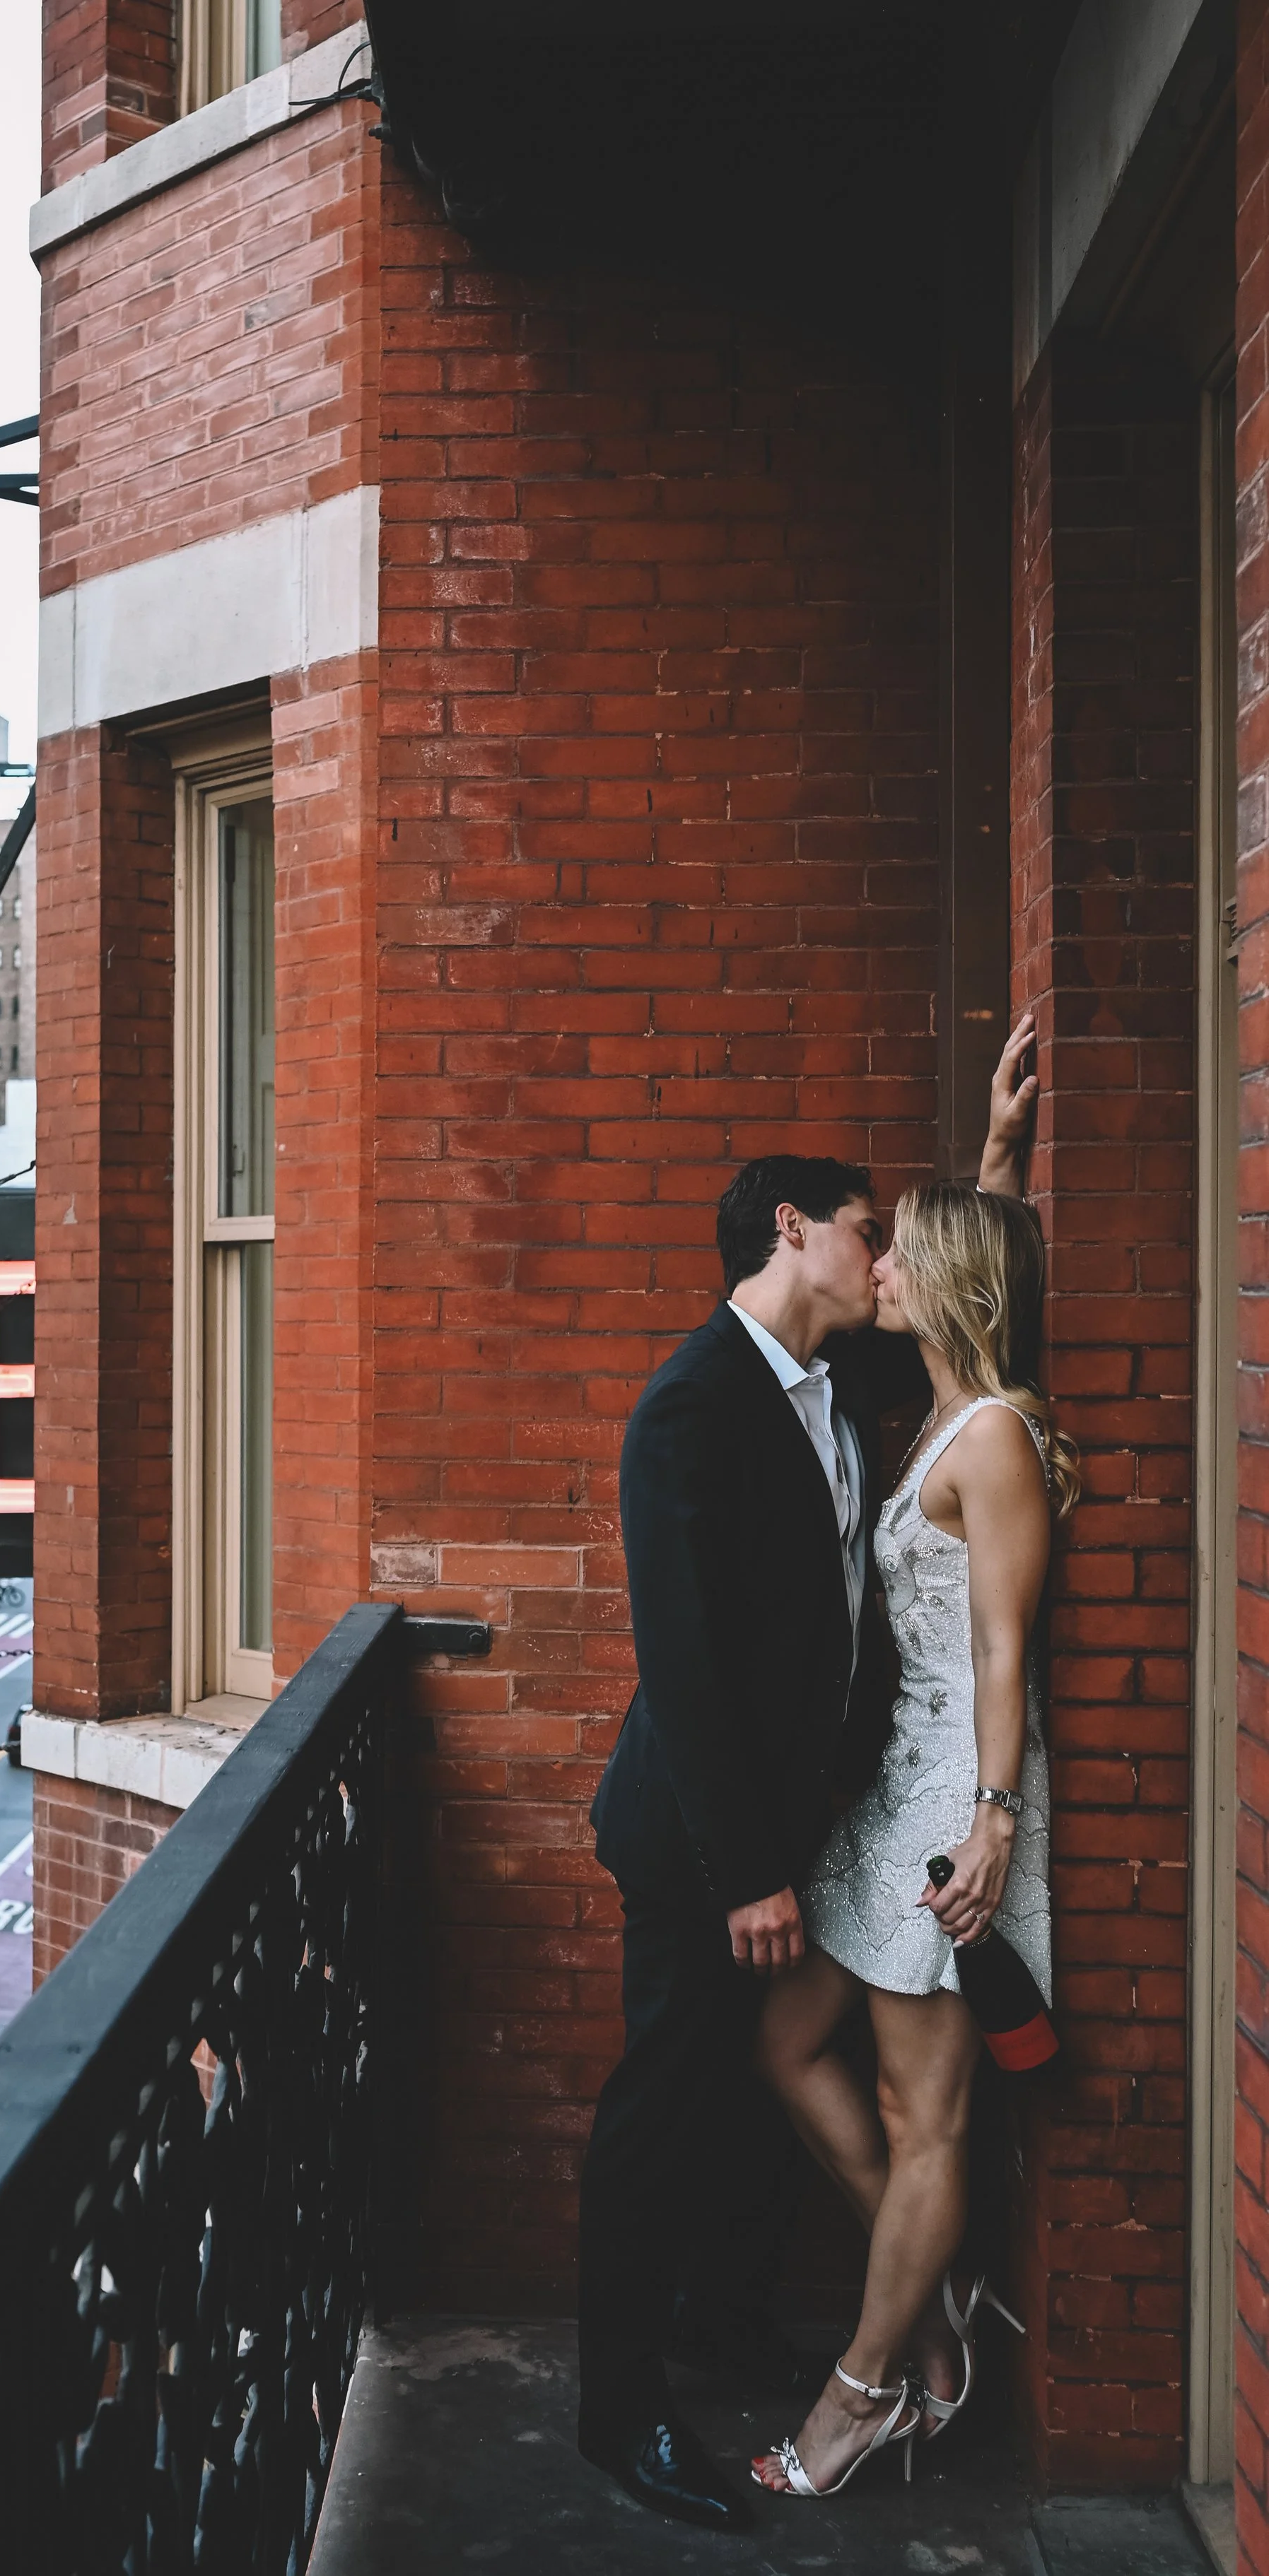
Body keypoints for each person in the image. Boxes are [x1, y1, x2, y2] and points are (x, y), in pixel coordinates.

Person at [575, 1020, 1038, 2531]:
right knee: (665, 2104)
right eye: (865, 1230)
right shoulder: (687, 1409)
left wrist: (993, 1169)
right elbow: (686, 1671)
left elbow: (970, 1343)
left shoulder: (843, 1389)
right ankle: (617, 2412)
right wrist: (747, 1873)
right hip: (703, 1844)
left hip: (831, 1825)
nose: (880, 1253)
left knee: (748, 2087)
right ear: (793, 1227)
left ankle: (720, 2323)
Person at [750, 1183, 1077, 2500]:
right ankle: (933, 2321)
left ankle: (864, 2393)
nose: (875, 1264)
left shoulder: (990, 1437)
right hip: (895, 1790)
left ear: (947, 1282)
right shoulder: (945, 1409)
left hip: (958, 1798)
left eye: (901, 1250)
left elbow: (1005, 1648)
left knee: (921, 2113)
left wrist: (995, 1823)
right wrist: (996, 1148)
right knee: (783, 2039)